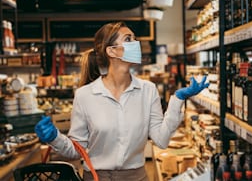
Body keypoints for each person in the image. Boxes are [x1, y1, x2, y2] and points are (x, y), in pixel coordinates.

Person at [35, 21, 209, 181]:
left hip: (136, 177)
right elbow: (76, 150)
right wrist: (54, 138)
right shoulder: (85, 95)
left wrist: (178, 99)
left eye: (135, 38)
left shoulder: (147, 90)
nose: (136, 43)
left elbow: (162, 140)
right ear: (111, 51)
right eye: (128, 39)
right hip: (96, 177)